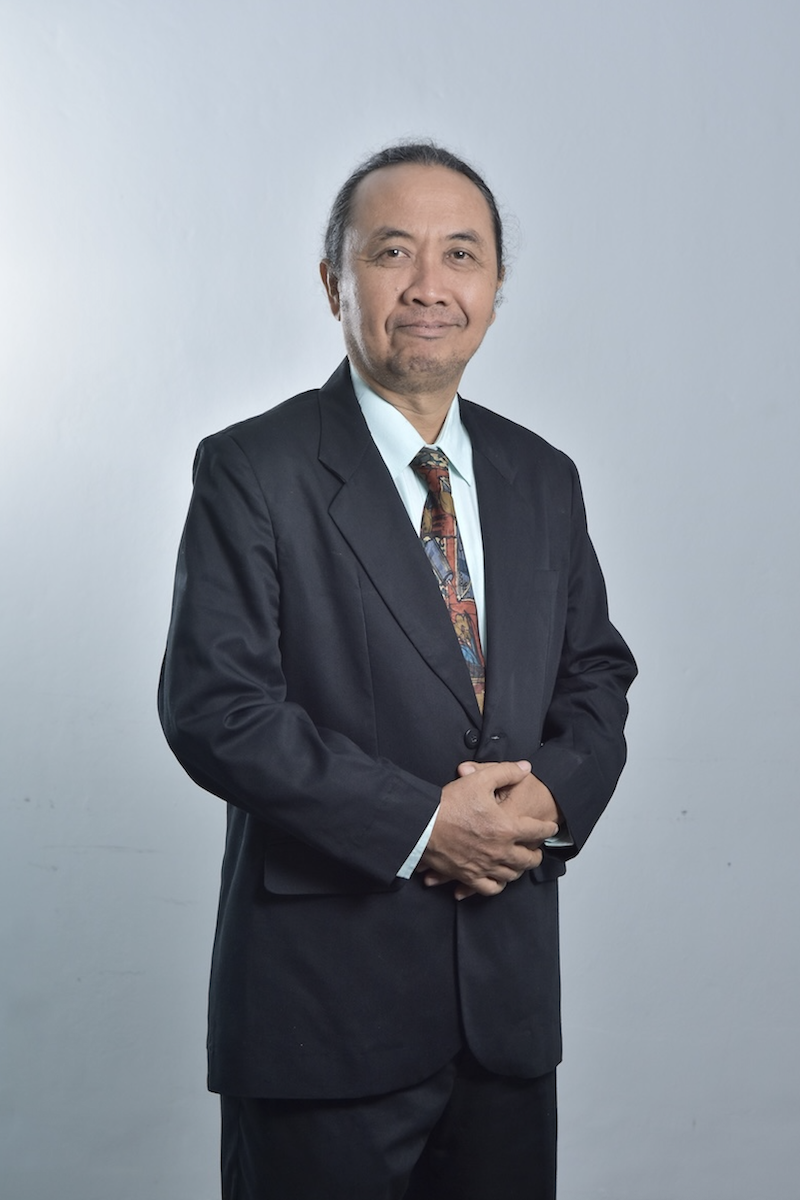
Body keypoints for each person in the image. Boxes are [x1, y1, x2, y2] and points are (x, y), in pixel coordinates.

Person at [158, 141, 636, 1200]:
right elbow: (217, 709)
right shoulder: (252, 468)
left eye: (460, 254)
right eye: (391, 252)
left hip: (505, 1012)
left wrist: (555, 795)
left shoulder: (541, 476)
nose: (428, 285)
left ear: (495, 289)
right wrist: (423, 825)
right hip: (323, 1013)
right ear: (334, 283)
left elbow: (596, 675)